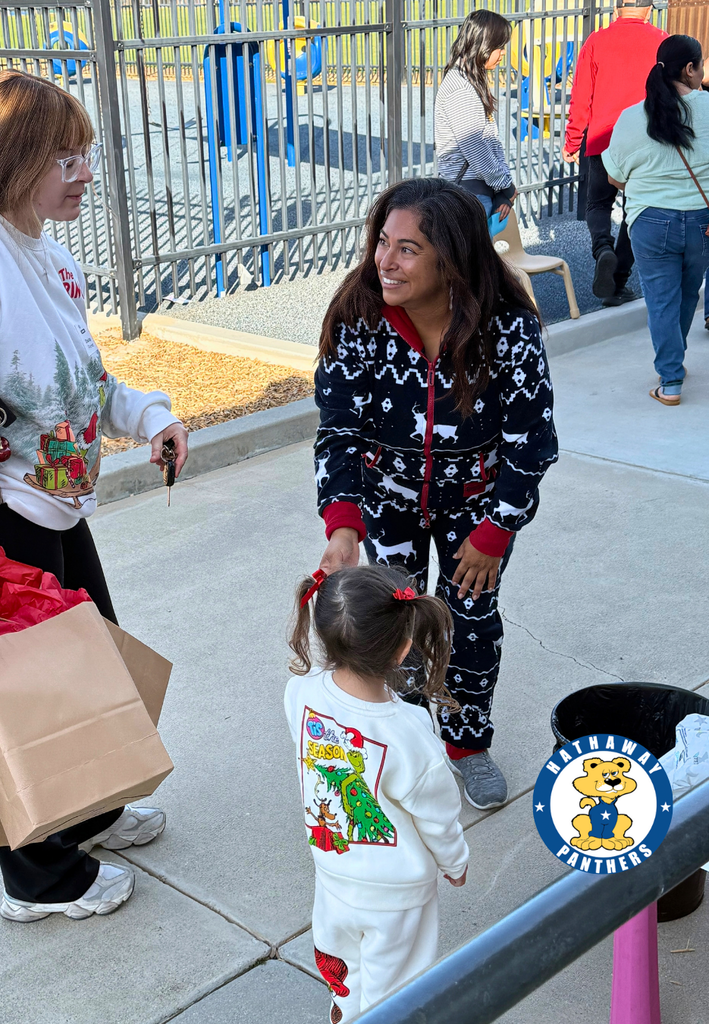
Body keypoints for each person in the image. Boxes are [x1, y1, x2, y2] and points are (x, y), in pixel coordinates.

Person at [0, 70, 188, 921]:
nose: (86, 171)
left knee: (85, 668)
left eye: (87, 152)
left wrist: (150, 414)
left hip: (54, 504)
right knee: (25, 697)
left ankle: (86, 810)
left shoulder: (47, 254)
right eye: (66, 156)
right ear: (13, 158)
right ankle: (40, 880)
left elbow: (84, 379)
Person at [313, 177, 558, 811]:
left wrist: (496, 531)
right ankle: (407, 731)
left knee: (469, 621)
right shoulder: (358, 320)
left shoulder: (505, 328)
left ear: (450, 258)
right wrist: (343, 522)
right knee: (394, 619)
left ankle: (465, 743)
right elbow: (338, 428)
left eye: (408, 249)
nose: (384, 262)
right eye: (383, 243)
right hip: (386, 502)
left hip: (476, 511)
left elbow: (533, 440)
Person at [284, 564, 469, 1024]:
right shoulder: (409, 731)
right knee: (397, 998)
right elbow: (438, 814)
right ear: (403, 647)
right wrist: (456, 862)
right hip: (398, 898)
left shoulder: (299, 694)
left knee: (344, 976)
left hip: (333, 873)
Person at [603, 36, 709, 406]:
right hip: (702, 222)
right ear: (690, 68)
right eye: (701, 64)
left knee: (662, 300)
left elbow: (614, 177)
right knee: (686, 294)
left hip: (651, 223)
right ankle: (673, 363)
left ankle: (671, 378)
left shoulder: (634, 117)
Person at [563, 0, 667, 305]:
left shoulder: (596, 41)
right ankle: (618, 281)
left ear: (616, 10)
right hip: (648, 142)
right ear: (648, 10)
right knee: (639, 210)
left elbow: (581, 96)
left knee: (597, 204)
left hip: (602, 139)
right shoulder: (662, 41)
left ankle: (602, 249)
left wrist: (572, 142)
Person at [434, 9, 516, 224]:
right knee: (470, 258)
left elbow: (490, 142)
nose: (503, 53)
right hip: (468, 196)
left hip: (478, 191)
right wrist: (505, 186)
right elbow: (475, 147)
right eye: (499, 47)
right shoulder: (460, 88)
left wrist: (500, 190)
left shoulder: (470, 81)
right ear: (484, 45)